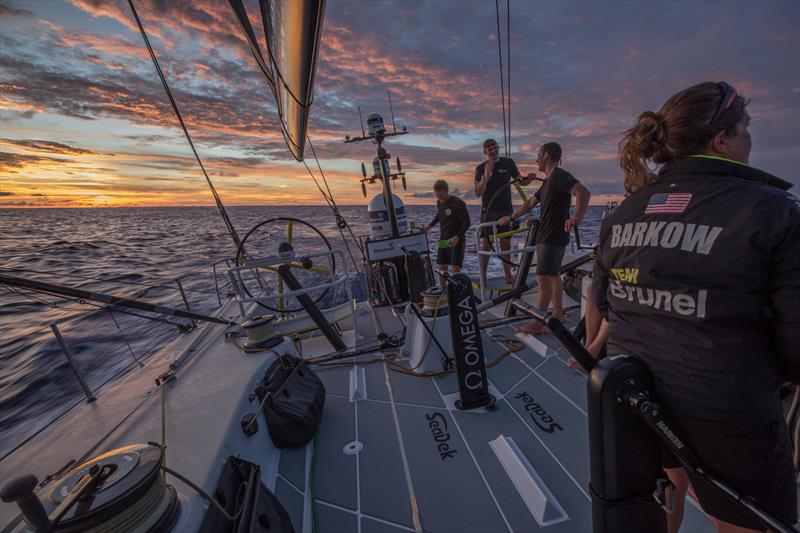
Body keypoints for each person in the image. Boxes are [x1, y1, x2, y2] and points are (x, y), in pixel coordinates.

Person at [594, 81, 799, 533]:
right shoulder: (773, 212)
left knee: (668, 488)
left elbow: (607, 302)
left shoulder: (622, 214)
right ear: (721, 139)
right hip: (726, 406)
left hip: (639, 396)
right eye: (746, 128)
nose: (750, 139)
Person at [499, 142, 590, 331]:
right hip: (550, 234)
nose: (536, 158)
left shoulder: (559, 175)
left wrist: (576, 219)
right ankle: (558, 313)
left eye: (539, 154)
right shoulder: (549, 180)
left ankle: (537, 322)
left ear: (547, 154)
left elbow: (583, 192)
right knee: (554, 275)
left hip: (552, 235)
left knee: (543, 277)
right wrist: (512, 217)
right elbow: (531, 202)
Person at [474, 139, 534, 284]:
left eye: (494, 147)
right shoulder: (480, 167)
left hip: (505, 209)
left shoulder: (508, 163)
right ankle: (483, 277)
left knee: (505, 243)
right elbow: (477, 192)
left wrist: (529, 180)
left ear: (498, 148)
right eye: (489, 148)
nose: (492, 150)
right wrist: (486, 177)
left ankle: (508, 276)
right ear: (485, 152)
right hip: (488, 210)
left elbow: (520, 181)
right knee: (486, 244)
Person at [422, 179, 470, 287]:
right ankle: (443, 291)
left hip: (456, 240)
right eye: (436, 194)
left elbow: (467, 223)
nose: (438, 197)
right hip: (443, 239)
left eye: (440, 194)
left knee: (455, 267)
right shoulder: (439, 202)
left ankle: (458, 292)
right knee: (441, 267)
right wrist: (429, 226)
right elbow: (439, 215)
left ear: (447, 190)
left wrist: (457, 237)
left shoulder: (458, 203)